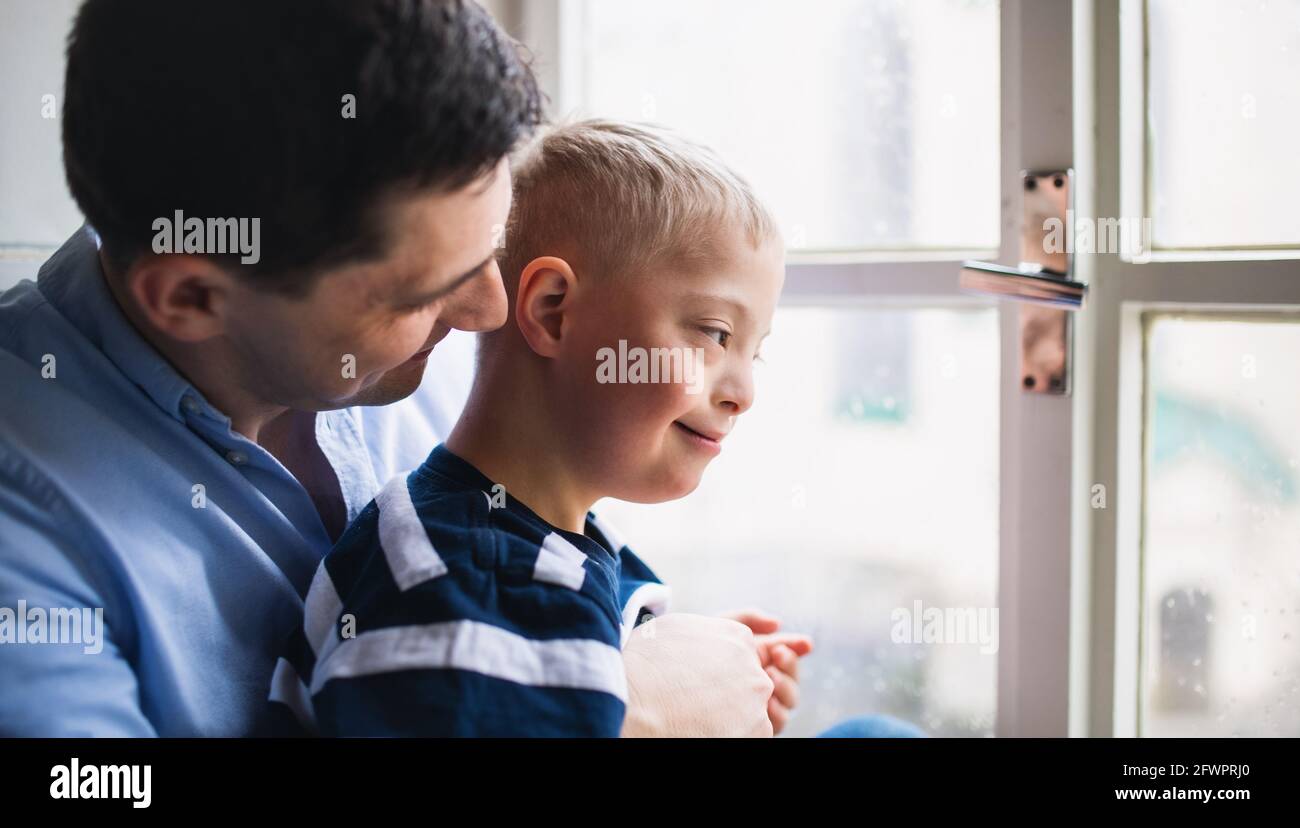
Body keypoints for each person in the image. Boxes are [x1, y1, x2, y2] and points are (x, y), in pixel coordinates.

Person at [0, 0, 781, 738]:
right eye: (424, 289)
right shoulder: (25, 541)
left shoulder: (455, 373)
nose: (491, 312)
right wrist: (624, 710)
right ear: (192, 294)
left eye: (492, 247)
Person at [271, 120, 798, 736]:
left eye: (752, 353)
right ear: (553, 311)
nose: (743, 394)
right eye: (714, 334)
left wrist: (701, 680)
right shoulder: (457, 585)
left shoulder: (542, 540)